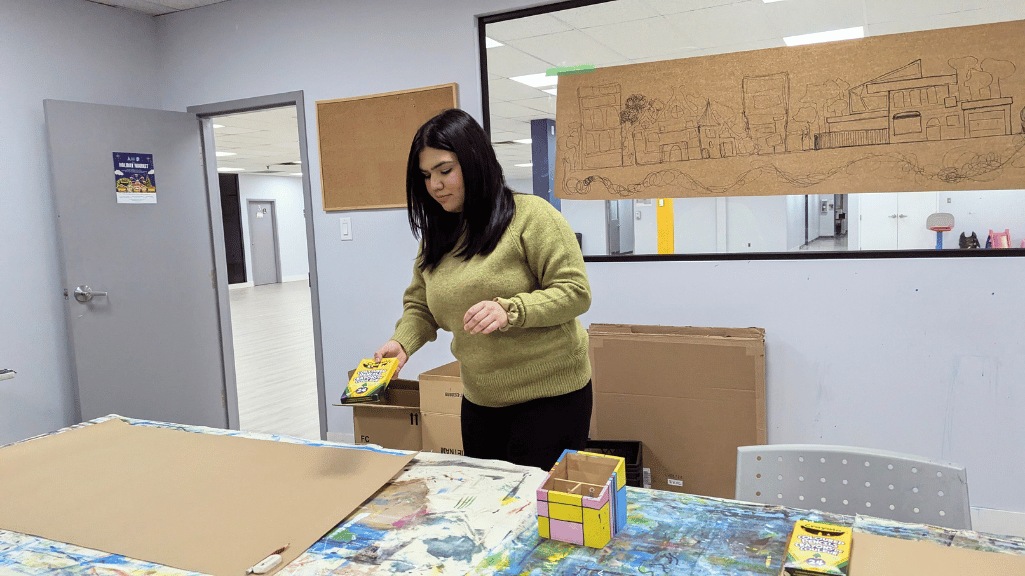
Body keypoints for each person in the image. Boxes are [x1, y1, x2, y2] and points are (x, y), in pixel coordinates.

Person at [374, 108, 592, 470]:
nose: (435, 185)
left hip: (550, 396)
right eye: (426, 176)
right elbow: (420, 305)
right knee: (488, 507)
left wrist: (511, 311)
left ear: (475, 162)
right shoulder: (437, 236)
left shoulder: (532, 216)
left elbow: (574, 291)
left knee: (537, 514)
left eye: (445, 171)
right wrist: (402, 343)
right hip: (480, 399)